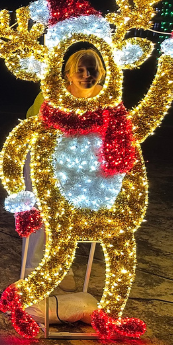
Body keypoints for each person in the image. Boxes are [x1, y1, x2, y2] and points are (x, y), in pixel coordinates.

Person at [23, 48, 106, 292]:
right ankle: (34, 270)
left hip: (82, 165)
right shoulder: (52, 94)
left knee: (70, 218)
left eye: (91, 69)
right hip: (46, 161)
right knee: (43, 215)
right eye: (80, 70)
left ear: (100, 72)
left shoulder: (106, 98)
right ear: (68, 74)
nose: (86, 75)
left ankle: (61, 266)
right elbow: (35, 125)